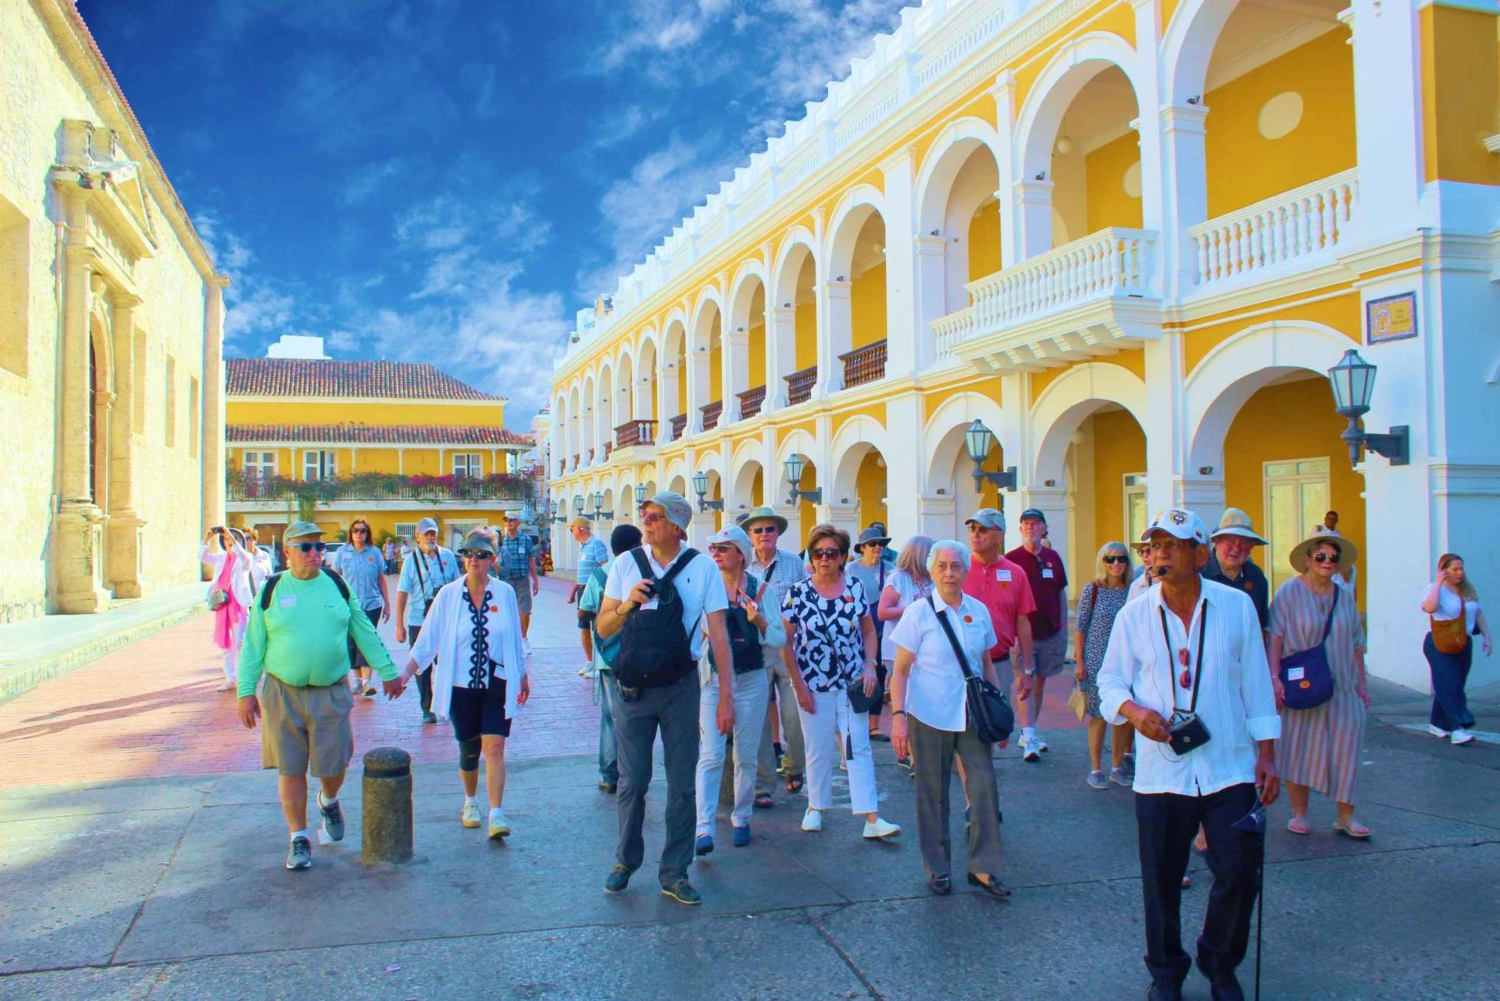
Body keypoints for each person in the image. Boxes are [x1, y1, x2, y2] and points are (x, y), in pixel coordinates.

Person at [1098, 508, 1281, 1001]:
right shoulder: (1134, 614)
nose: (1159, 554)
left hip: (1230, 766)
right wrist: (1133, 711)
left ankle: (1219, 963)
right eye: (1154, 545)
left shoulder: (1236, 607)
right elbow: (1109, 681)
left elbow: (1256, 683)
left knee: (1240, 872)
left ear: (1200, 555)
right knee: (1160, 881)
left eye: (1171, 545)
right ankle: (1166, 972)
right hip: (1162, 773)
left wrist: (1267, 754)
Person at [595, 492, 734, 906]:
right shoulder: (625, 564)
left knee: (681, 783)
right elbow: (603, 627)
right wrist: (627, 605)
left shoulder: (702, 568)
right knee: (632, 780)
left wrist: (726, 696)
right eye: (644, 515)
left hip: (680, 686)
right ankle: (625, 860)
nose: (646, 521)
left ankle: (675, 871)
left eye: (654, 516)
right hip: (633, 687)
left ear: (677, 526)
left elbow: (719, 635)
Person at [236, 521, 400, 871]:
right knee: (290, 767)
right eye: (306, 547)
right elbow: (253, 645)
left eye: (319, 547)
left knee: (334, 765)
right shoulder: (271, 589)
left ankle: (328, 799)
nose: (315, 553)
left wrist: (387, 671)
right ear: (287, 551)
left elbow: (363, 629)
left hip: (331, 691)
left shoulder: (336, 585)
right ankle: (299, 837)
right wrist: (246, 690)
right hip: (283, 692)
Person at [889, 539, 1016, 897]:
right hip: (928, 714)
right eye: (942, 566)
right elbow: (899, 671)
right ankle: (938, 867)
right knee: (932, 793)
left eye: (956, 566)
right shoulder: (918, 613)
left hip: (972, 714)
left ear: (965, 570)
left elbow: (986, 665)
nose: (949, 573)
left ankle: (984, 868)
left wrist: (1001, 713)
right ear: (931, 571)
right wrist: (898, 717)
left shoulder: (978, 610)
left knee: (984, 787)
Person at [398, 529, 530, 839]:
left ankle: (496, 813)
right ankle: (471, 801)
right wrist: (405, 673)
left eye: (481, 555)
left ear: (492, 560)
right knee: (469, 748)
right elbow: (428, 638)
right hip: (461, 684)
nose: (474, 559)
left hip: (497, 682)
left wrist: (522, 674)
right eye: (468, 553)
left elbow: (514, 637)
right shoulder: (448, 595)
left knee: (495, 745)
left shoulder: (504, 593)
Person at [781, 523, 901, 841]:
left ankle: (871, 816)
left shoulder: (854, 588)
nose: (824, 558)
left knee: (858, 747)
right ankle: (815, 807)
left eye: (831, 553)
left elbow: (869, 632)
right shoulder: (798, 593)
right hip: (812, 683)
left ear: (843, 556)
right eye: (817, 552)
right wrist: (798, 685)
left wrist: (870, 667)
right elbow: (785, 643)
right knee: (818, 748)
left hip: (852, 684)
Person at [1270, 530, 1371, 839]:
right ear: (1308, 560)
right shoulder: (1289, 592)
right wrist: (1274, 678)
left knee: (1346, 748)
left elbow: (1357, 644)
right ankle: (1298, 813)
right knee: (1298, 746)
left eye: (1333, 557)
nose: (1327, 561)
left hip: (1342, 686)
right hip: (1303, 685)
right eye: (1321, 556)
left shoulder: (1344, 596)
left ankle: (1346, 816)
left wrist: (1362, 685)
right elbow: (1275, 637)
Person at [695, 525, 784, 853]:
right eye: (713, 548)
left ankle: (742, 817)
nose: (716, 554)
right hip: (714, 681)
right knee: (711, 754)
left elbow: (779, 640)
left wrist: (759, 621)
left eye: (723, 548)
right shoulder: (707, 588)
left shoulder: (762, 591)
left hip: (751, 679)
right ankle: (703, 827)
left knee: (745, 754)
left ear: (741, 555)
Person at [742, 505, 810, 804]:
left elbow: (805, 603)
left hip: (788, 647)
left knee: (794, 715)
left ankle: (794, 766)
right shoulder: (742, 565)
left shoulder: (794, 563)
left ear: (778, 532)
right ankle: (763, 784)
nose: (764, 534)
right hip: (755, 648)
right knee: (757, 716)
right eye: (758, 529)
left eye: (770, 528)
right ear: (749, 534)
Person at [962, 509, 1036, 753]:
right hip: (961, 662)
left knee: (990, 724)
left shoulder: (1016, 573)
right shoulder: (959, 568)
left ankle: (983, 769)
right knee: (961, 724)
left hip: (999, 664)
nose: (976, 534)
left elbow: (1023, 623)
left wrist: (1027, 669)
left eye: (983, 530)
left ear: (999, 536)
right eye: (973, 529)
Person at [578, 523, 643, 793]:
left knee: (609, 716)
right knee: (638, 715)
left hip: (607, 655)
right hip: (639, 655)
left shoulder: (599, 575)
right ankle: (633, 772)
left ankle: (609, 774)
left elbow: (584, 614)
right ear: (636, 545)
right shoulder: (641, 573)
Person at [1074, 542, 1136, 790]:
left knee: (1122, 715)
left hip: (1125, 660)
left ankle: (1117, 767)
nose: (1116, 563)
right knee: (1099, 716)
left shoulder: (1133, 590)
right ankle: (1096, 768)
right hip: (1097, 660)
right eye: (1110, 559)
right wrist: (1079, 662)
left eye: (1121, 559)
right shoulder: (1093, 590)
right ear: (1103, 562)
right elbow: (1080, 627)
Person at [1007, 508, 1068, 760]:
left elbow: (1060, 593)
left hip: (1049, 632)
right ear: (1020, 529)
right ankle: (1029, 734)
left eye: (1035, 523)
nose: (1030, 527)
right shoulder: (1012, 560)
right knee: (1024, 681)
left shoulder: (1053, 558)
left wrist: (1063, 628)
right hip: (1022, 635)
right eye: (1026, 523)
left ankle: (1030, 729)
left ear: (1044, 529)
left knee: (1040, 681)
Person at [395, 517, 462, 725]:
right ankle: (427, 707)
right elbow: (402, 593)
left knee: (447, 663)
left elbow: (458, 587)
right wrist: (399, 625)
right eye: (427, 534)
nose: (431, 537)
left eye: (433, 533)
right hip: (419, 620)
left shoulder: (448, 556)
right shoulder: (410, 561)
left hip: (445, 620)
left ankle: (447, 703)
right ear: (418, 537)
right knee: (421, 666)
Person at [1421, 552, 1492, 746]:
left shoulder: (1466, 589)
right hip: (1440, 644)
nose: (1460, 573)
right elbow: (1429, 608)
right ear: (1444, 571)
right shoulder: (1433, 589)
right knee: (1450, 685)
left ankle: (1437, 723)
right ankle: (1458, 728)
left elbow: (1477, 613)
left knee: (1452, 685)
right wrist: (1438, 584)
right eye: (1455, 569)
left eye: (1461, 569)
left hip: (1463, 642)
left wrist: (1487, 637)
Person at [878, 534, 936, 766]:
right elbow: (883, 611)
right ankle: (910, 753)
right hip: (899, 648)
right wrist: (913, 610)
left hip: (927, 650)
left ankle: (922, 748)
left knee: (924, 697)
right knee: (905, 698)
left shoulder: (933, 579)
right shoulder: (898, 578)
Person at [334, 518, 390, 698]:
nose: (359, 533)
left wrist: (387, 604)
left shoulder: (375, 553)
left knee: (367, 641)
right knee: (351, 643)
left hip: (371, 605)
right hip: (348, 606)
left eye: (363, 530)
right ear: (351, 533)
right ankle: (357, 680)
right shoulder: (342, 553)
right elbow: (336, 578)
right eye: (356, 530)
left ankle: (367, 682)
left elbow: (381, 579)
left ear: (367, 533)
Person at [847, 526, 893, 743]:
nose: (877, 547)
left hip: (883, 630)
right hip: (857, 631)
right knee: (857, 674)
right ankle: (857, 721)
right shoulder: (851, 570)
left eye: (880, 544)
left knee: (879, 676)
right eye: (873, 544)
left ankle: (874, 726)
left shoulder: (890, 569)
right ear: (862, 548)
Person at [201, 526, 255, 693]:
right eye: (226, 539)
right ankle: (230, 679)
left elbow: (243, 557)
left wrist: (230, 535)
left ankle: (243, 678)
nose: (229, 542)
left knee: (239, 643)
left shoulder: (245, 558)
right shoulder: (221, 558)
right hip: (223, 605)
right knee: (226, 644)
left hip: (238, 605)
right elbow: (202, 556)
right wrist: (206, 538)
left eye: (233, 539)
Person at [1203, 509, 1271, 637]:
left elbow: (1260, 627)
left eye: (1244, 542)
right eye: (1230, 541)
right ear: (1216, 542)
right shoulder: (1199, 574)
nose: (1236, 548)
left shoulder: (1257, 578)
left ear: (1251, 548)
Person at [495, 513, 541, 657]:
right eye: (506, 520)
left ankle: (523, 639)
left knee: (525, 610)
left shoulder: (525, 540)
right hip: (505, 580)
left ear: (518, 522)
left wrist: (535, 580)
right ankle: (509, 640)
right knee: (506, 611)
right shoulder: (500, 541)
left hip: (522, 579)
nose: (508, 522)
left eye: (512, 520)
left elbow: (531, 560)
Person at [569, 517, 609, 675]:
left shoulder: (596, 545)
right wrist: (573, 592)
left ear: (579, 529)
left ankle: (600, 663)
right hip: (582, 590)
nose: (572, 532)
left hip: (594, 591)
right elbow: (581, 574)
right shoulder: (583, 547)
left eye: (572, 529)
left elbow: (605, 568)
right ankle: (590, 662)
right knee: (584, 627)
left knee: (597, 628)